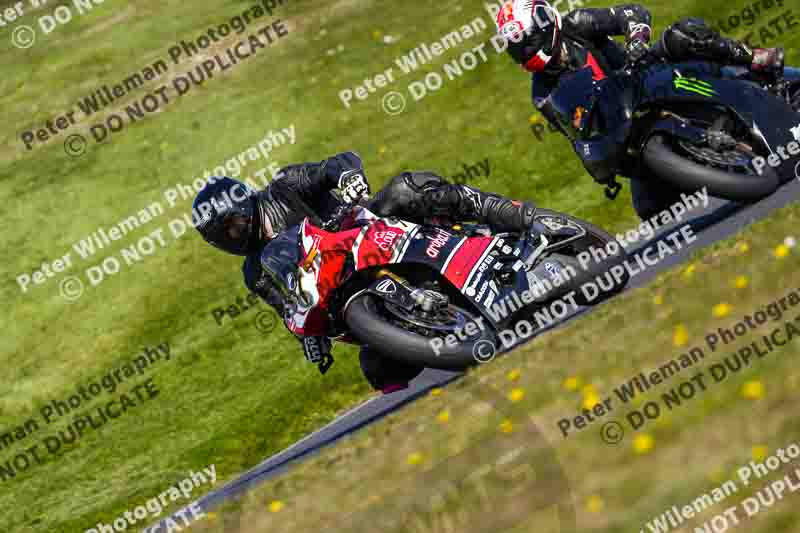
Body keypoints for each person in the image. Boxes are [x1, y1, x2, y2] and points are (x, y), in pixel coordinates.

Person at [193, 152, 540, 393]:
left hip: (367, 231)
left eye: (233, 225)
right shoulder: (255, 272)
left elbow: (335, 164)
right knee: (378, 371)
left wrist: (348, 178)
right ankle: (443, 323)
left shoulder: (284, 186)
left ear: (245, 206)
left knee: (407, 190)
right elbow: (287, 306)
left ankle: (519, 217)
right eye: (221, 236)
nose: (232, 237)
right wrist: (310, 340)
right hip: (337, 294)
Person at [494, 0, 786, 216]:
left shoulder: (577, 23)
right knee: (651, 210)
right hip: (621, 125)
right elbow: (575, 133)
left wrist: (637, 40)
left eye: (528, 40)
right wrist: (599, 167)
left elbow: (632, 13)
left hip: (643, 75)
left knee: (683, 35)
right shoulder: (541, 93)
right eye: (516, 47)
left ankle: (754, 59)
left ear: (545, 25)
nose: (525, 51)